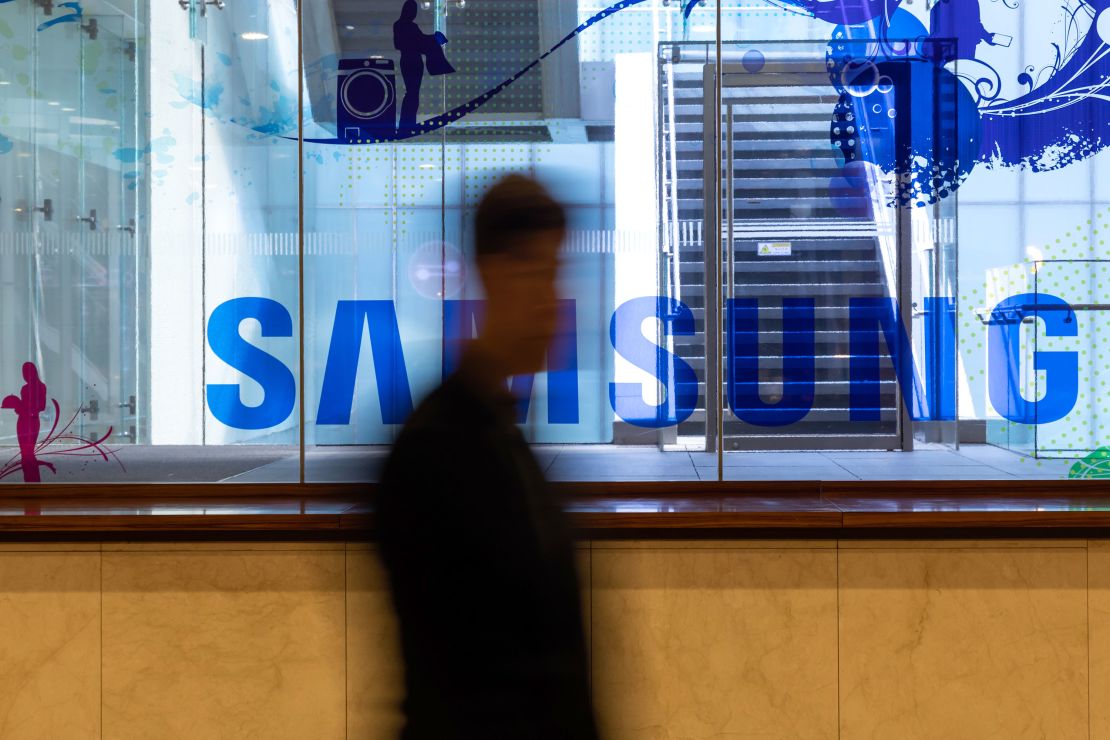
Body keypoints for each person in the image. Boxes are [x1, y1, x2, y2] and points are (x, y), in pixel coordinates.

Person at [376, 175, 599, 740]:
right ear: (493, 275)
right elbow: (454, 684)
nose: (554, 301)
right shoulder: (440, 449)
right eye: (539, 275)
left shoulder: (503, 432)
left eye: (557, 276)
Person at [393, 0, 456, 130]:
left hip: (408, 60)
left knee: (412, 92)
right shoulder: (409, 26)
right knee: (412, 93)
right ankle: (407, 124)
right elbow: (418, 41)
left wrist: (429, 39)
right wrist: (433, 38)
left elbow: (412, 42)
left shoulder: (399, 25)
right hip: (413, 61)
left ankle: (407, 123)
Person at [2, 362, 54, 483]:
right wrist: (20, 408)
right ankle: (31, 481)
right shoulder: (30, 388)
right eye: (23, 372)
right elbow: (37, 406)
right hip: (26, 420)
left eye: (25, 372)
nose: (24, 375)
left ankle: (32, 481)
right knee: (26, 453)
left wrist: (24, 408)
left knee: (28, 453)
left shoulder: (36, 387)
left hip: (29, 421)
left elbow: (41, 406)